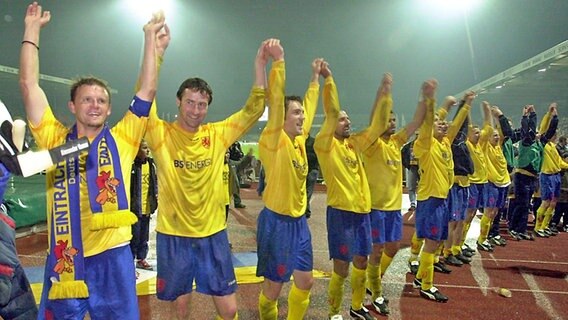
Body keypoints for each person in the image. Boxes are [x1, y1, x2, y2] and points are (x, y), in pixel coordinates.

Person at [19, 2, 167, 319]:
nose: (95, 105)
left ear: (109, 109)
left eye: (101, 100)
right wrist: (32, 31)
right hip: (65, 258)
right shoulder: (54, 139)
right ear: (73, 106)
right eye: (87, 99)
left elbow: (148, 88)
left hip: (113, 257)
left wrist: (149, 39)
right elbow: (29, 87)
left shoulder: (123, 138)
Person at [145, 39, 272, 320]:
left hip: (212, 235)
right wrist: (156, 55)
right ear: (178, 101)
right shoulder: (160, 133)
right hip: (174, 234)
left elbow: (253, 109)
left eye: (202, 104)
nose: (195, 109)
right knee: (180, 308)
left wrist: (260, 64)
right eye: (189, 102)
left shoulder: (217, 134)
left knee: (229, 309)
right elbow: (145, 97)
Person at [315, 66, 392, 320]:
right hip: (340, 213)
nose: (347, 121)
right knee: (342, 267)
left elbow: (378, 125)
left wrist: (384, 93)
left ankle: (356, 306)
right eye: (342, 119)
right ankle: (334, 313)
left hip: (362, 213)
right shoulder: (325, 144)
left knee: (362, 261)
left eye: (348, 118)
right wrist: (329, 79)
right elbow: (333, 110)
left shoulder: (353, 144)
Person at [256, 48, 323, 319]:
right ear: (280, 117)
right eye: (295, 113)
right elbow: (275, 99)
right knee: (273, 288)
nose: (302, 118)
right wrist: (279, 62)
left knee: (305, 282)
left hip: (298, 224)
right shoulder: (275, 139)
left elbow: (311, 103)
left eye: (302, 114)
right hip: (276, 224)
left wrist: (315, 78)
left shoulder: (297, 140)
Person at [361, 75, 427, 315]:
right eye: (386, 119)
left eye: (392, 119)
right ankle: (376, 293)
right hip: (376, 208)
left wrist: (425, 97)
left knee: (392, 248)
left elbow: (416, 122)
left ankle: (373, 279)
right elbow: (373, 119)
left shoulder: (396, 143)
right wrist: (383, 91)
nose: (390, 122)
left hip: (392, 209)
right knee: (377, 251)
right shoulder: (371, 143)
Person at [412, 83, 471, 303]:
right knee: (431, 243)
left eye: (443, 122)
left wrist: (466, 105)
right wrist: (437, 102)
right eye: (439, 123)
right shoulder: (424, 145)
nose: (443, 125)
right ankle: (426, 285)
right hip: (431, 201)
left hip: (442, 199)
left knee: (435, 243)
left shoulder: (445, 143)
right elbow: (429, 124)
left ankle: (421, 277)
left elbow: (455, 126)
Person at [509, 105, 557, 241]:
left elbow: (551, 131)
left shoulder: (539, 144)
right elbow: (526, 130)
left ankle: (521, 229)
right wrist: (529, 115)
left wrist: (554, 117)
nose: (536, 133)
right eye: (534, 132)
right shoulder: (526, 143)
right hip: (522, 176)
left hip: (532, 178)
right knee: (522, 204)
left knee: (525, 205)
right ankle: (514, 228)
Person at [475, 103, 511, 251]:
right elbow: (488, 128)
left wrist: (499, 116)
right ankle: (482, 239)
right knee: (489, 212)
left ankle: (489, 236)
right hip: (492, 184)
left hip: (503, 183)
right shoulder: (486, 147)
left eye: (497, 135)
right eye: (494, 135)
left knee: (495, 212)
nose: (496, 137)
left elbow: (506, 132)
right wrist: (489, 115)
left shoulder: (499, 146)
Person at [533, 104, 566, 237]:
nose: (556, 134)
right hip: (547, 176)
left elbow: (559, 162)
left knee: (553, 202)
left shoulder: (553, 146)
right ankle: (538, 227)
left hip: (556, 176)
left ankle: (545, 225)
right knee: (546, 201)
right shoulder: (544, 144)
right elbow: (543, 129)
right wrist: (549, 114)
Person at [130, 140, 158, 271]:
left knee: (144, 236)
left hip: (147, 208)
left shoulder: (151, 165)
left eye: (148, 148)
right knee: (133, 237)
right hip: (135, 209)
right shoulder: (132, 166)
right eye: (145, 148)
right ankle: (130, 262)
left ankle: (141, 259)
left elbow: (154, 183)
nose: (147, 151)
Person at [402, 133, 419, 210]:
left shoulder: (427, 145)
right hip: (413, 167)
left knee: (424, 185)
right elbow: (402, 154)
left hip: (423, 167)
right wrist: (407, 165)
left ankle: (421, 202)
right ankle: (413, 203)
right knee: (411, 186)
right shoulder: (409, 145)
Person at [228, 141, 247, 208]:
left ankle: (237, 202)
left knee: (237, 182)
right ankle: (229, 202)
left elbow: (241, 153)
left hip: (238, 163)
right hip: (231, 163)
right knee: (234, 183)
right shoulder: (228, 143)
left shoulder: (237, 144)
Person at [305, 134, 319, 218]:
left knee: (307, 192)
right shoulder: (299, 142)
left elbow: (317, 156)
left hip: (312, 170)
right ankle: (306, 210)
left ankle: (306, 210)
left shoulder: (313, 142)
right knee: (306, 192)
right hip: (306, 169)